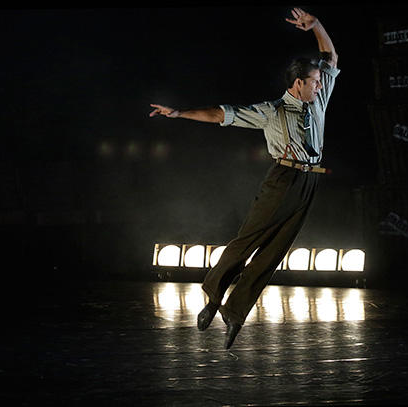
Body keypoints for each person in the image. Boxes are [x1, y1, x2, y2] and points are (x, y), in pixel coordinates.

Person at [149, 7, 339, 349]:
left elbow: (331, 56)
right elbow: (222, 114)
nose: (320, 84)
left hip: (309, 182)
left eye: (319, 80)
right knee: (248, 240)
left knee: (275, 251)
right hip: (282, 178)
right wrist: (179, 113)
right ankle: (212, 295)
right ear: (298, 83)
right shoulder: (272, 111)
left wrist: (317, 26)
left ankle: (235, 313)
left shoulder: (319, 99)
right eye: (314, 81)